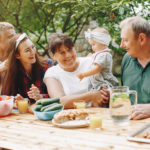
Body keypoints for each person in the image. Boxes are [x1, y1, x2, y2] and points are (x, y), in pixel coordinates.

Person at [44, 33, 105, 109]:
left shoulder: (90, 62)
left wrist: (106, 94)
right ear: (52, 55)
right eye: (62, 53)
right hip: (71, 117)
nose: (68, 55)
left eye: (70, 49)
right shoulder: (52, 73)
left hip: (98, 114)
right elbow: (59, 102)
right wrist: (91, 96)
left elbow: (107, 87)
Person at [2, 33, 53, 113]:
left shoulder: (47, 65)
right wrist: (19, 101)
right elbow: (6, 99)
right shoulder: (12, 73)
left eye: (33, 47)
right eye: (27, 50)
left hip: (46, 112)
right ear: (17, 55)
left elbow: (55, 96)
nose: (33, 52)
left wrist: (40, 96)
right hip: (24, 118)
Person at [120, 16, 150, 120]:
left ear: (141, 39)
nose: (121, 45)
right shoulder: (127, 59)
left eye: (126, 40)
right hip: (130, 126)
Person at [77, 27, 118, 92]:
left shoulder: (104, 55)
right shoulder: (99, 54)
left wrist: (84, 74)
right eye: (91, 45)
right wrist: (90, 58)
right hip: (96, 84)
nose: (92, 47)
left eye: (94, 44)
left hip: (103, 84)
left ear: (103, 43)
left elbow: (97, 69)